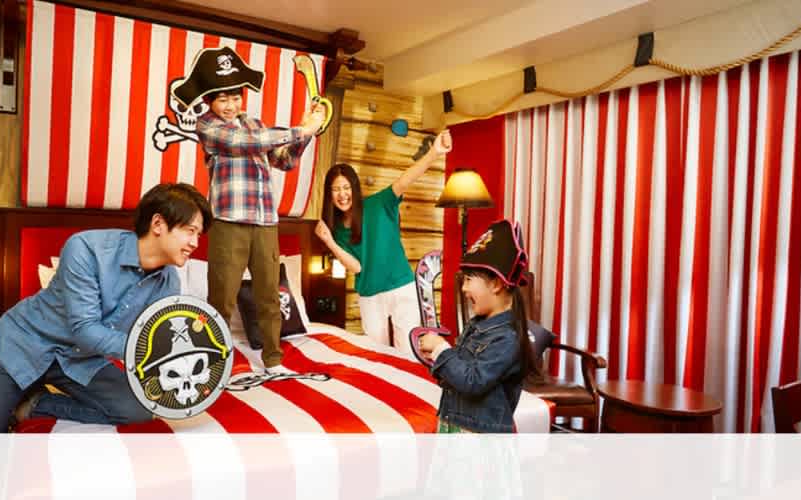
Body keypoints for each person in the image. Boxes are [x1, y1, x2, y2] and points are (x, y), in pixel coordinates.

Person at [0, 183, 213, 432]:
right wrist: (152, 349)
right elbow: (86, 330)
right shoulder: (87, 248)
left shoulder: (169, 282)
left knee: (138, 411)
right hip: (22, 344)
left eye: (198, 235)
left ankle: (36, 405)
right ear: (158, 224)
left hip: (80, 359)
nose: (195, 243)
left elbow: (162, 340)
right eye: (189, 231)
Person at [173, 46, 327, 375]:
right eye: (222, 100)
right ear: (210, 102)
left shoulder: (255, 124)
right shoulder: (208, 127)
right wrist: (303, 130)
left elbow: (283, 160)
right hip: (229, 223)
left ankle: (273, 360)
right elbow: (247, 143)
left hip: (265, 222)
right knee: (222, 298)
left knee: (269, 296)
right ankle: (213, 362)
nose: (230, 106)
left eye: (235, 98)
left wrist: (304, 132)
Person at [314, 130, 452, 353]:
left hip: (401, 287)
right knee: (379, 354)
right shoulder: (336, 229)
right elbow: (356, 267)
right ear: (329, 194)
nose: (342, 194)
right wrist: (330, 242)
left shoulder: (378, 204)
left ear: (354, 189)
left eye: (346, 187)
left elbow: (405, 179)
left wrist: (434, 152)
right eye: (336, 189)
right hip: (370, 294)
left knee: (408, 351)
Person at [417, 219, 543, 433]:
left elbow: (473, 381)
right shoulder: (476, 326)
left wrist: (441, 349)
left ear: (496, 284)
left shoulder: (507, 338)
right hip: (454, 426)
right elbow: (460, 374)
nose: (464, 289)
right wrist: (439, 361)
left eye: (468, 280)